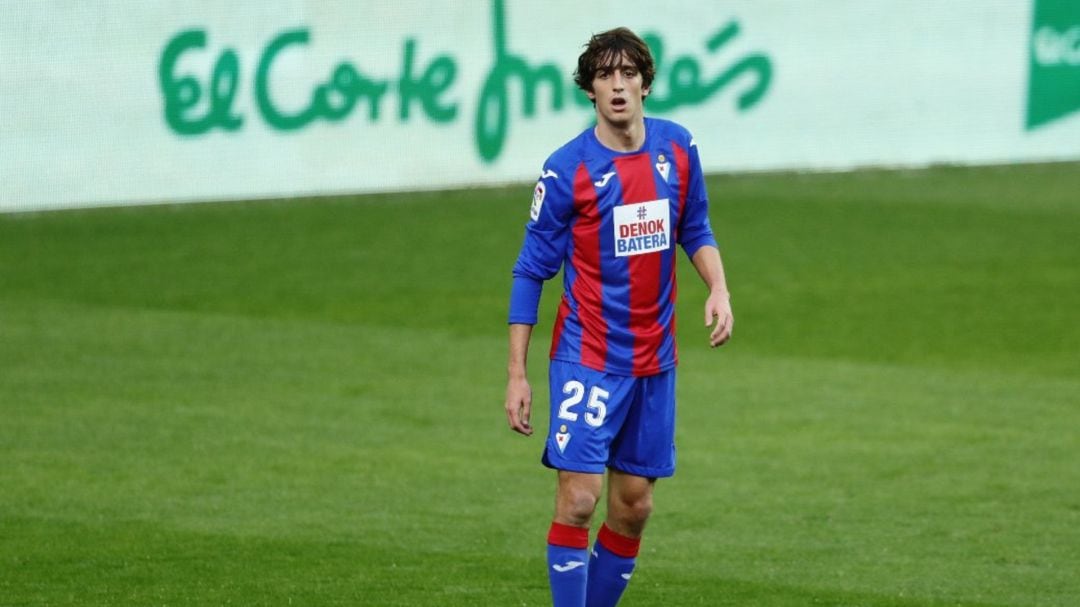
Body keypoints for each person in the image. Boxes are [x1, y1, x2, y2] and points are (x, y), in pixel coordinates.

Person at [504, 27, 733, 607]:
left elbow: (695, 227)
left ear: (646, 84)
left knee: (633, 508)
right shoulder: (567, 170)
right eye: (604, 75)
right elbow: (531, 269)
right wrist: (517, 373)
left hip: (654, 360)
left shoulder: (678, 149)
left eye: (628, 74)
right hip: (588, 354)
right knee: (580, 500)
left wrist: (718, 288)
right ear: (590, 90)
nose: (617, 86)